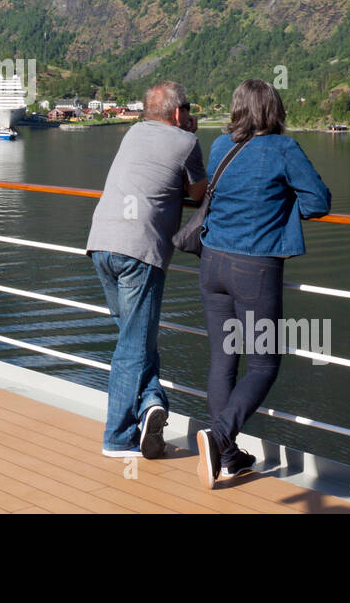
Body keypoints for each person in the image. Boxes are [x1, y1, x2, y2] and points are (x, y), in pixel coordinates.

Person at [196, 79, 331, 487]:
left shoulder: (221, 146)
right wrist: (282, 203)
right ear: (275, 110)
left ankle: (230, 456)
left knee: (223, 360)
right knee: (263, 364)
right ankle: (218, 438)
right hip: (253, 268)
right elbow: (318, 201)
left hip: (212, 262)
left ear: (238, 109)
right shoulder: (283, 149)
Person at [86, 81, 207, 459]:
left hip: (101, 244)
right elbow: (199, 193)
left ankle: (151, 403)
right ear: (177, 113)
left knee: (134, 339)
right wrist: (189, 136)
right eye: (188, 108)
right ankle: (118, 437)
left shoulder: (133, 132)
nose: (191, 114)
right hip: (140, 252)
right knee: (132, 347)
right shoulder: (186, 142)